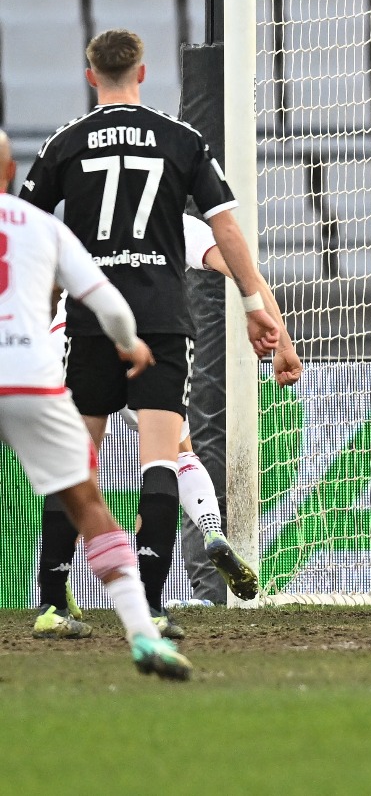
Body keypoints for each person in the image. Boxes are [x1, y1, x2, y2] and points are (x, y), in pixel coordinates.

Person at [40, 214, 301, 630]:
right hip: (150, 344)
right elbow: (241, 270)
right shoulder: (176, 221)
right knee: (171, 457)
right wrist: (281, 340)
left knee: (77, 468)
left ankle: (55, 590)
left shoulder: (87, 208)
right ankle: (204, 540)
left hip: (72, 343)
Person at [0, 130, 191, 678]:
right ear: (10, 172)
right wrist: (130, 343)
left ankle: (56, 602)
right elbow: (106, 300)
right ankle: (143, 635)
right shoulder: (44, 227)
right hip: (34, 383)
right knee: (88, 505)